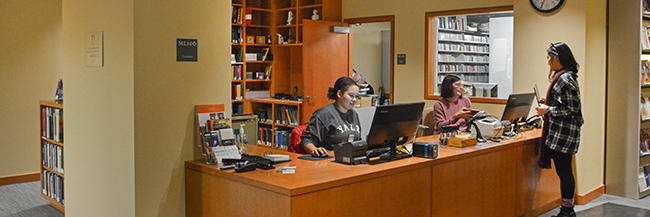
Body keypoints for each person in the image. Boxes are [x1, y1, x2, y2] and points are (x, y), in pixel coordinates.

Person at [534, 42, 583, 217]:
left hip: (564, 134)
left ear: (558, 58)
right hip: (563, 132)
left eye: (549, 57)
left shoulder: (564, 79)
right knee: (564, 171)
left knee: (564, 172)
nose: (548, 61)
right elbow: (565, 104)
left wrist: (548, 110)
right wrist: (549, 104)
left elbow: (571, 110)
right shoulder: (565, 76)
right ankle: (567, 208)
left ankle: (567, 210)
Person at [301, 77, 362, 156]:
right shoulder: (323, 114)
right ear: (339, 94)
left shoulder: (354, 114)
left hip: (350, 157)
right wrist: (314, 149)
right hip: (329, 159)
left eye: (357, 96)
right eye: (351, 95)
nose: (354, 99)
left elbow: (357, 140)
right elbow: (307, 140)